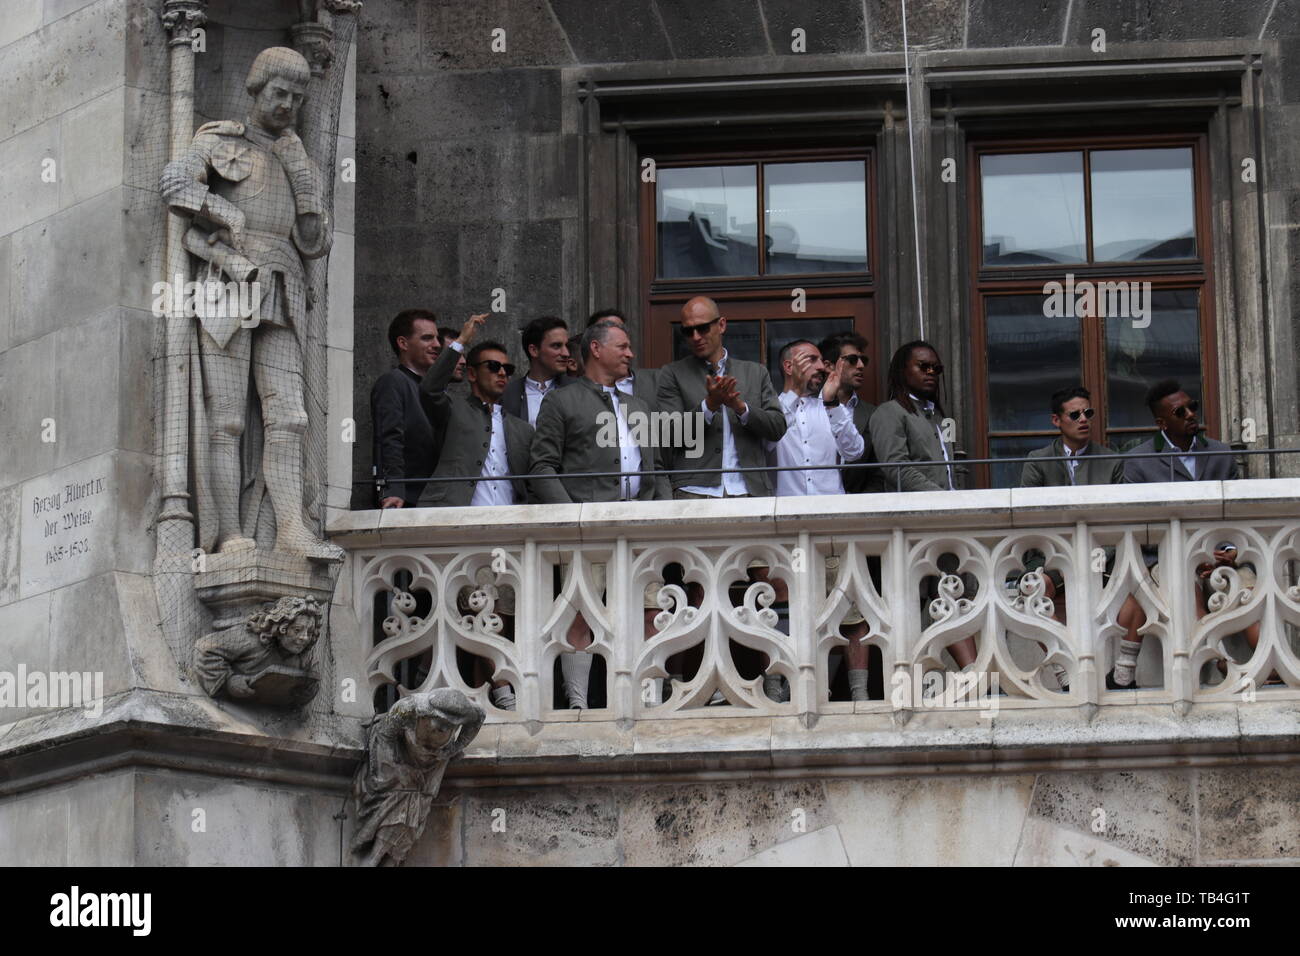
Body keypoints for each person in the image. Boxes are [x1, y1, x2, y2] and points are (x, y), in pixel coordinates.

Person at [159, 46, 338, 559]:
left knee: (291, 417)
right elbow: (173, 184)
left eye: (297, 97)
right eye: (279, 93)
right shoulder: (221, 140)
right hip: (226, 279)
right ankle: (230, 533)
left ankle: (290, 528)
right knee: (229, 419)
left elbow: (312, 242)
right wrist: (224, 213)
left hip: (281, 284)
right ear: (256, 90)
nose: (287, 104)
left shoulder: (293, 154)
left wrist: (305, 185)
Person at [529, 319, 670, 707]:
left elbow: (655, 473)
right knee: (581, 613)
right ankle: (577, 702)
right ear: (595, 349)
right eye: (622, 346)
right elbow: (541, 467)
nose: (630, 354)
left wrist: (656, 516)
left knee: (651, 609)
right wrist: (573, 518)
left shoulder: (639, 405)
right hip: (586, 530)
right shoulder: (560, 401)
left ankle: (649, 698)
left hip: (638, 526)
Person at [418, 314, 533, 711]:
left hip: (510, 529)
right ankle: (501, 683)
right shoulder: (453, 409)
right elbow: (429, 388)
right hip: (464, 525)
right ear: (471, 373)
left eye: (508, 369)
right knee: (476, 603)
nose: (503, 374)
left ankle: (497, 682)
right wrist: (461, 343)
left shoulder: (520, 428)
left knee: (506, 610)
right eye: (493, 367)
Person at [1109, 380, 1240, 689]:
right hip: (1163, 559)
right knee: (1181, 584)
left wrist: (1231, 550)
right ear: (1161, 422)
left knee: (1247, 585)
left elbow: (1237, 514)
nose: (1191, 414)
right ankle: (1218, 667)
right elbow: (1136, 526)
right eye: (1181, 411)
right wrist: (1192, 555)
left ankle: (1272, 673)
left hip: (1220, 555)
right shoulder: (1138, 462)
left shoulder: (1221, 453)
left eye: (1192, 406)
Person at [656, 296, 787, 498]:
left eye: (703, 328)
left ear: (721, 325)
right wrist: (709, 406)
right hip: (694, 491)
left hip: (749, 491)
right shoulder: (672, 373)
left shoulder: (755, 372)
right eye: (688, 331)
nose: (696, 336)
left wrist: (741, 408)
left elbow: (777, 427)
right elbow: (670, 434)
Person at [767, 339, 863, 496]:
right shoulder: (770, 410)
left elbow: (854, 452)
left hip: (831, 511)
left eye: (820, 360)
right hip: (785, 511)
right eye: (812, 360)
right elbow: (765, 444)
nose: (820, 366)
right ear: (789, 367)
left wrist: (832, 403)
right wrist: (795, 392)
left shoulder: (832, 407)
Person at [370, 309, 440, 508]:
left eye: (437, 338)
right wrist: (393, 490)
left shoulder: (429, 389)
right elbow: (388, 438)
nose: (436, 345)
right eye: (427, 338)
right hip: (405, 502)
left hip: (432, 500)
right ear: (403, 343)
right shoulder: (393, 382)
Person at [869, 340, 956, 492]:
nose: (931, 372)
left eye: (936, 368)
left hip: (951, 506)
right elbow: (896, 468)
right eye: (923, 366)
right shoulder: (888, 412)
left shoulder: (944, 418)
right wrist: (939, 496)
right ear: (902, 370)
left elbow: (952, 463)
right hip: (915, 508)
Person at [1021, 386, 1124, 487]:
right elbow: (1028, 502)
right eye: (1075, 415)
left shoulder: (1111, 462)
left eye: (1088, 413)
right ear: (1056, 420)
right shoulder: (1038, 461)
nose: (1083, 419)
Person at [818, 331, 880, 494]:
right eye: (852, 360)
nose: (860, 365)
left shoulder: (873, 414)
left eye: (863, 360)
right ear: (829, 365)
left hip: (858, 509)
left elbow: (879, 471)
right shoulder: (806, 408)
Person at [502, 316, 571, 425]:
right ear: (534, 350)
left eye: (567, 346)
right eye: (556, 346)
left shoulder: (577, 391)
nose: (566, 353)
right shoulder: (507, 395)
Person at [589, 308, 659, 409]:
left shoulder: (656, 381)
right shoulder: (575, 393)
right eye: (606, 328)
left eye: (621, 329)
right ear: (595, 347)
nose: (616, 332)